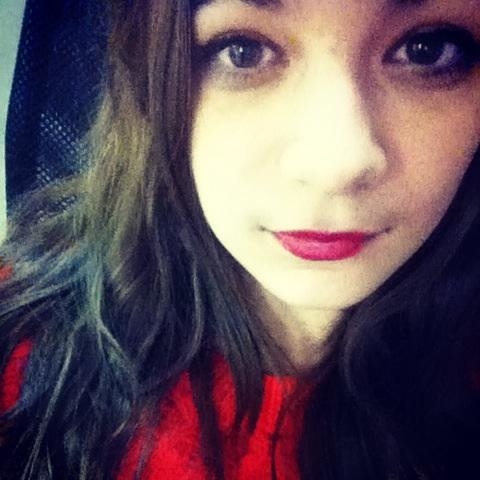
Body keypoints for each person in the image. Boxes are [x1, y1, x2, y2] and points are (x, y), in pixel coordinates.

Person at [1, 0, 480, 478]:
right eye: (243, 51)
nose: (337, 165)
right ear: (152, 84)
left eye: (427, 50)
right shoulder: (20, 341)